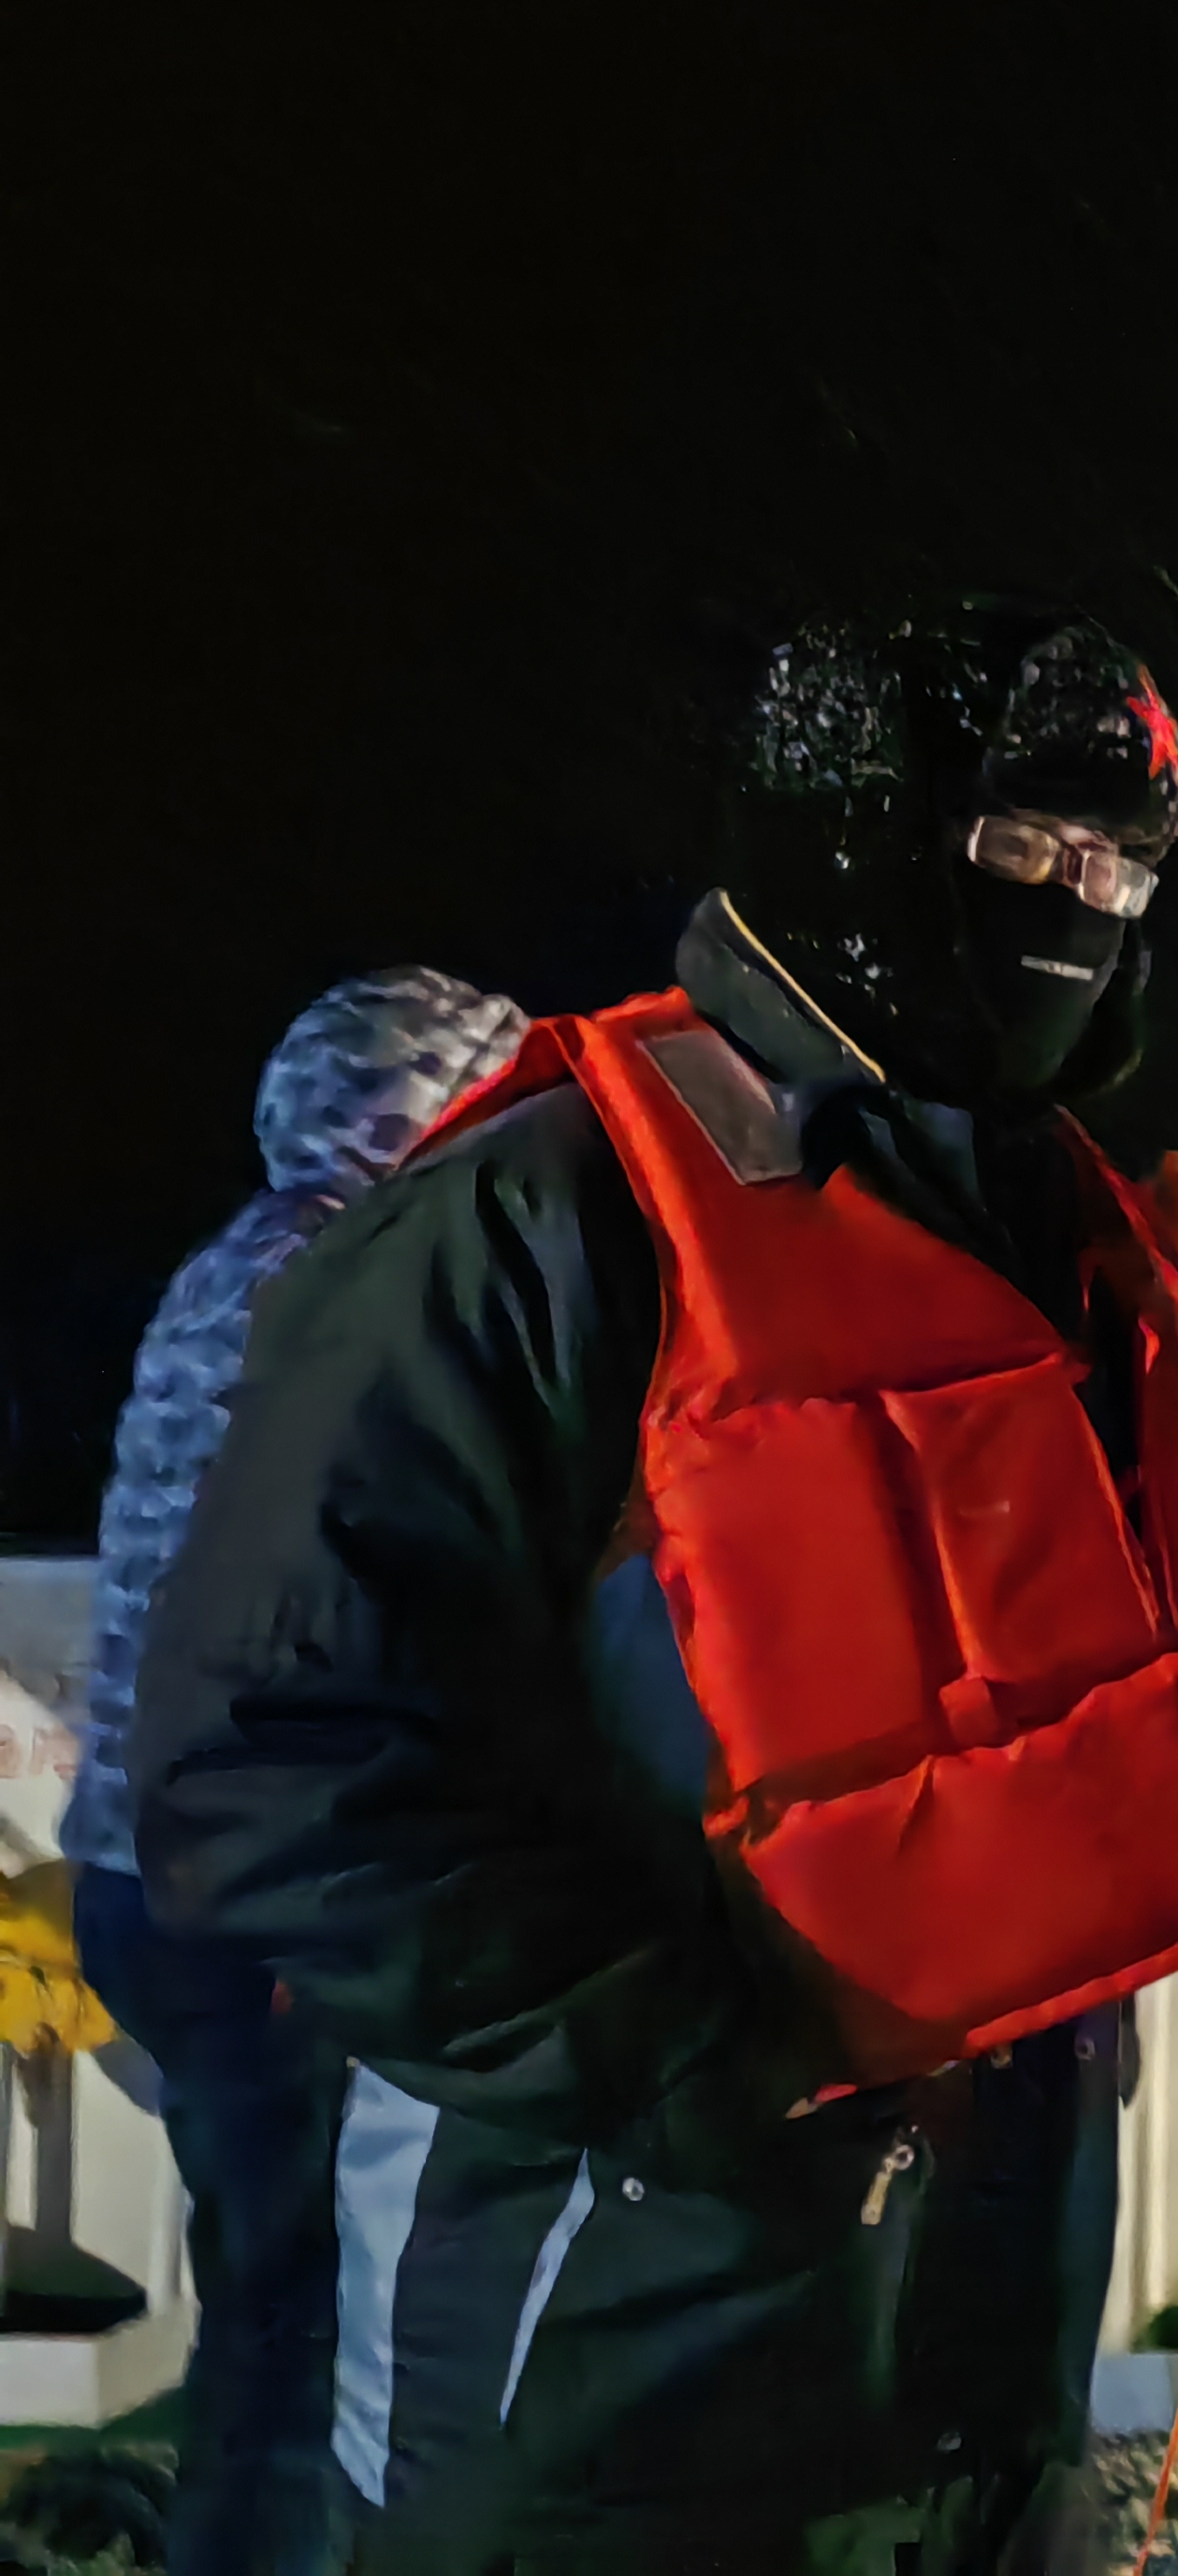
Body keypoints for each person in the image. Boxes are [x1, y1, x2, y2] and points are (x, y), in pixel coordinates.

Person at [131, 606, 1178, 2575]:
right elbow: (266, 1763)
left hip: (992, 2347)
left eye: (1118, 874)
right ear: (862, 834)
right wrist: (695, 2071)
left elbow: (1131, 1686)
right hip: (614, 2356)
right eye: (1024, 850)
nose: (1079, 911)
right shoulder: (535, 1216)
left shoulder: (1077, 1233)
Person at [68, 969, 529, 2576]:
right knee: (302, 2328)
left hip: (148, 1875)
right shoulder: (352, 1289)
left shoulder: (237, 1262)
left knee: (266, 2309)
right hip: (261, 1889)